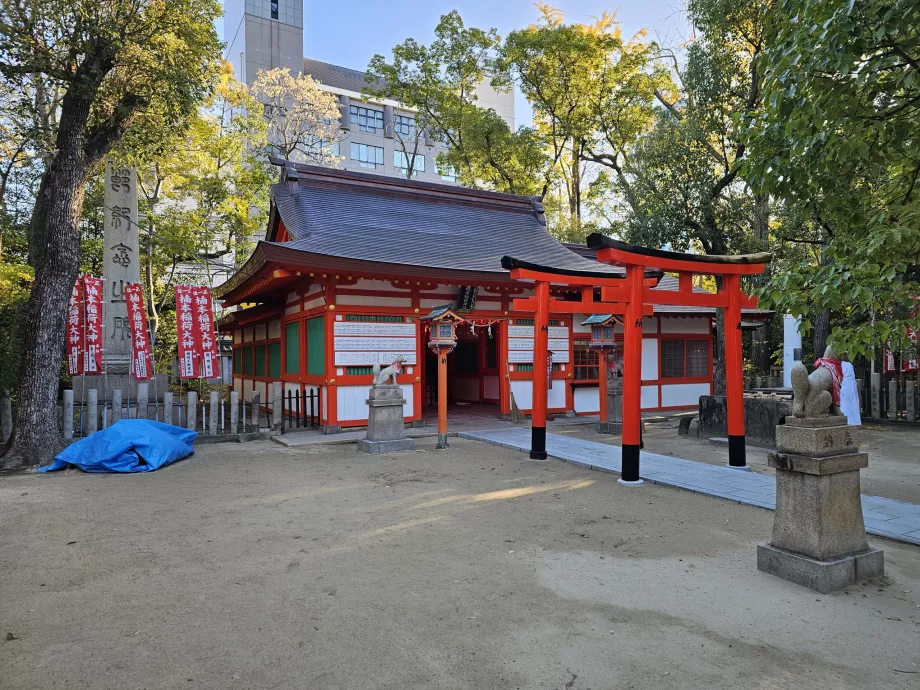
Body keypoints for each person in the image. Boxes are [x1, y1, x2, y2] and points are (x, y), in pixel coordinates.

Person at [839, 359, 861, 426]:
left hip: (843, 383)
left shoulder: (840, 364)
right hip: (851, 384)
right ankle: (855, 421)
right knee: (853, 402)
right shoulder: (849, 364)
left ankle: (846, 420)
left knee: (844, 403)